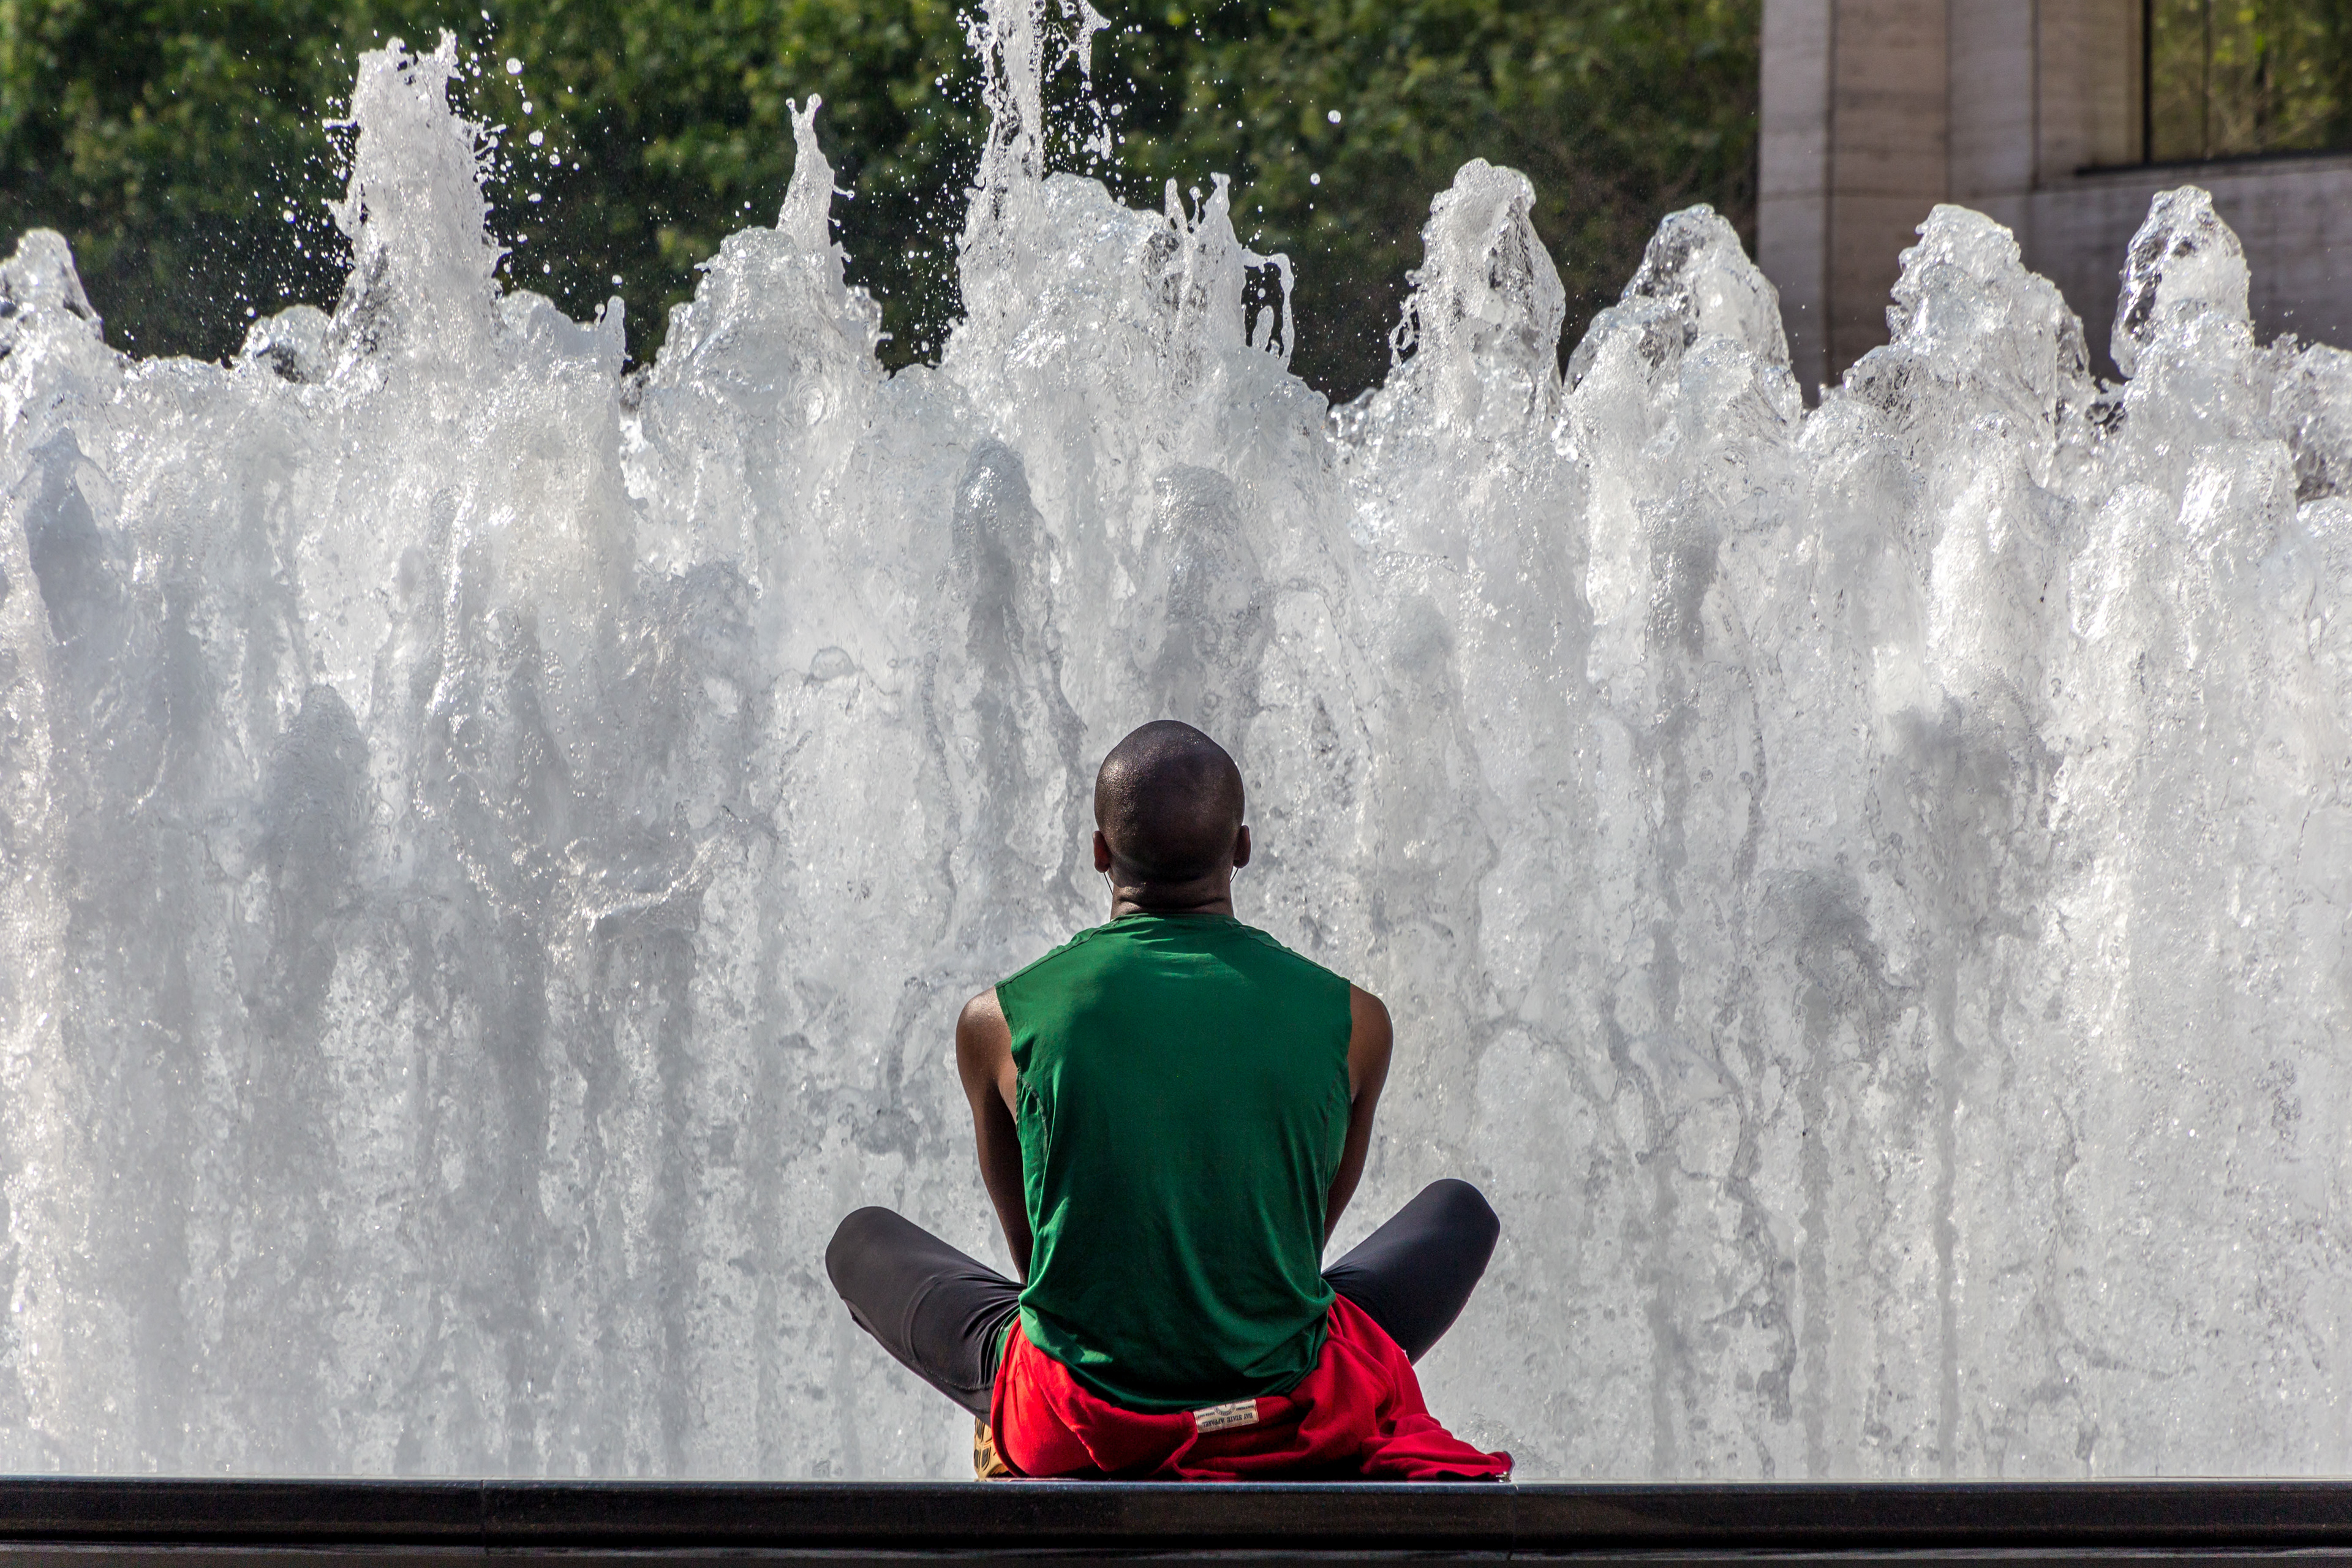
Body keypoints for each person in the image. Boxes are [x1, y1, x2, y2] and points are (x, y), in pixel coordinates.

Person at [826, 720, 1508, 1479]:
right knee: (1458, 1212)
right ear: (1242, 848)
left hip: (1084, 1416)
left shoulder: (996, 1022)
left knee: (861, 1240)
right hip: (1286, 1410)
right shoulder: (1358, 1021)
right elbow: (1300, 1244)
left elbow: (1038, 1265)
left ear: (1098, 852)